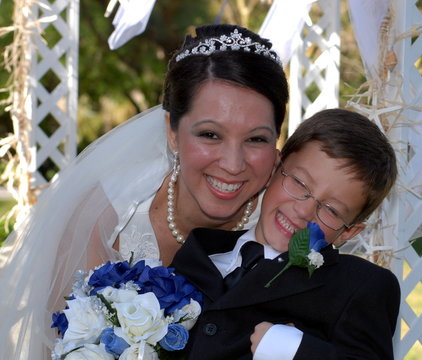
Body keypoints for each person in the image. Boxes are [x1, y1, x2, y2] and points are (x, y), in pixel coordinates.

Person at [0, 24, 288, 360]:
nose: (233, 163)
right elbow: (60, 346)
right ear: (172, 132)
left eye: (256, 139)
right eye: (210, 135)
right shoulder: (106, 215)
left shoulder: (284, 229)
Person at [171, 108, 401, 359]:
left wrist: (295, 351)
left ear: (349, 232)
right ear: (274, 167)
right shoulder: (196, 255)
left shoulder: (359, 286)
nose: (304, 211)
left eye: (331, 210)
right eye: (299, 183)